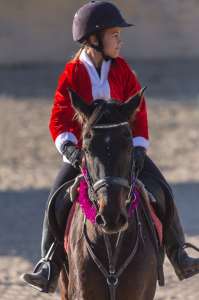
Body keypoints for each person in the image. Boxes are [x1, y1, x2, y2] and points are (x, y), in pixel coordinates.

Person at [21, 1, 199, 293]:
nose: (120, 40)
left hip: (123, 153)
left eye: (118, 34)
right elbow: (59, 118)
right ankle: (49, 265)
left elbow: (139, 112)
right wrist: (69, 148)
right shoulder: (72, 74)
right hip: (85, 155)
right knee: (55, 199)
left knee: (162, 189)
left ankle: (179, 254)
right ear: (94, 38)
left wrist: (139, 146)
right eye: (114, 34)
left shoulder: (123, 70)